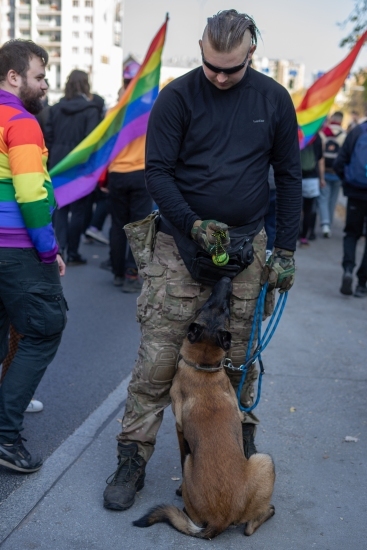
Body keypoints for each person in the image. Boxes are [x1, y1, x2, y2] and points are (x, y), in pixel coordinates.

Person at [103, 10, 302, 512]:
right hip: (179, 245)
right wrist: (193, 224)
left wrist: (285, 251)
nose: (219, 76)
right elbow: (158, 173)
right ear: (201, 48)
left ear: (250, 54)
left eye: (230, 69)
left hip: (246, 249)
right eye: (210, 64)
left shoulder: (274, 99)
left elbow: (290, 178)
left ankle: (237, 449)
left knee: (240, 361)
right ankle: (132, 458)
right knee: (158, 361)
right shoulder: (177, 96)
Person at [0, 39, 67, 473]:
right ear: (13, 77)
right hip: (16, 248)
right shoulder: (21, 122)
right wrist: (49, 250)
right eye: (40, 77)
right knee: (44, 329)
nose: (45, 86)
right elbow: (29, 192)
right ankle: (5, 438)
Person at [45, 70, 104, 265]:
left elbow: (49, 138)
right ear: (86, 85)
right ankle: (74, 252)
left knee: (60, 209)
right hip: (81, 166)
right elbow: (92, 141)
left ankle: (59, 249)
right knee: (79, 211)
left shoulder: (55, 109)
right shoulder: (91, 110)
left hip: (58, 164)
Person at [107, 62, 153, 292]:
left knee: (118, 225)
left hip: (117, 174)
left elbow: (105, 147)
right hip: (140, 175)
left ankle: (116, 272)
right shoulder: (149, 111)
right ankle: (131, 274)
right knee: (138, 228)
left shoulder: (113, 111)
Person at [334, 117, 367, 298]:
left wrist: (347, 182)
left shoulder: (356, 132)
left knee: (351, 234)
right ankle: (362, 283)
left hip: (356, 192)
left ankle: (348, 270)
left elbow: (340, 161)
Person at [318, 112, 346, 237]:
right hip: (337, 173)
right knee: (333, 200)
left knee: (324, 198)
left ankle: (325, 224)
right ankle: (329, 222)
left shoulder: (323, 133)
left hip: (325, 171)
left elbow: (320, 155)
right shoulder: (344, 135)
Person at [299, 134, 325, 245]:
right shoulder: (317, 137)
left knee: (295, 208)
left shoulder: (297, 133)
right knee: (309, 209)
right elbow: (320, 160)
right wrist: (322, 178)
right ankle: (305, 236)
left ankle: (293, 234)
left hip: (296, 177)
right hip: (312, 178)